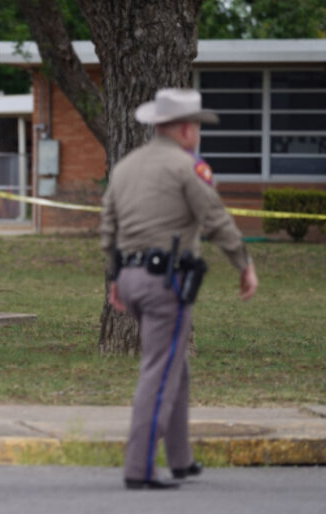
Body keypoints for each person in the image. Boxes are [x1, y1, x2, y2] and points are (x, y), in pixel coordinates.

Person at [100, 88, 258, 490]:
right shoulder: (187, 167)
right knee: (158, 371)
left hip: (131, 279)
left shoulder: (125, 166)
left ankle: (181, 459)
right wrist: (244, 264)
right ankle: (139, 468)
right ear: (187, 128)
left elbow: (108, 228)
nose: (199, 134)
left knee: (175, 367)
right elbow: (216, 219)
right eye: (198, 127)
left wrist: (115, 279)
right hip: (164, 283)